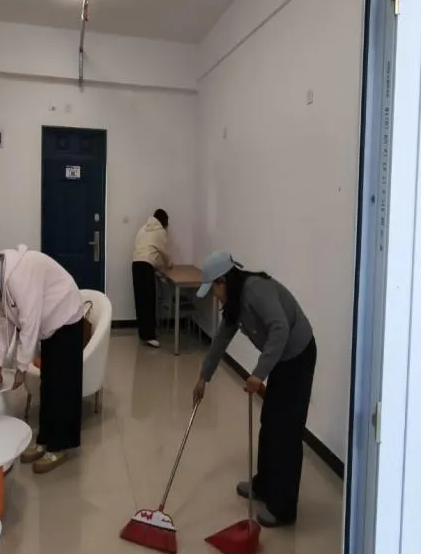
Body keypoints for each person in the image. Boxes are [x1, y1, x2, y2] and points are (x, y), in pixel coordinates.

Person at [192, 251, 316, 528]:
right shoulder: (235, 301)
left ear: (223, 281)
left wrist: (259, 374)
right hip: (280, 358)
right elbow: (221, 339)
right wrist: (203, 377)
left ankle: (283, 508)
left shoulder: (256, 290)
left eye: (213, 290)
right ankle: (265, 485)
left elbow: (280, 329)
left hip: (298, 355)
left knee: (287, 431)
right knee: (269, 422)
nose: (214, 296)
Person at [0, 247, 84, 474]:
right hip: (50, 322)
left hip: (65, 315)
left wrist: (21, 368)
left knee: (62, 385)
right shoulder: (1, 282)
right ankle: (45, 439)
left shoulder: (17, 277)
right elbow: (2, 326)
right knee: (48, 384)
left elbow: (29, 324)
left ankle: (59, 446)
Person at [132, 209, 172, 348]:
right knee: (149, 300)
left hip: (136, 264)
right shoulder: (160, 231)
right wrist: (169, 264)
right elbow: (163, 252)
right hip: (145, 267)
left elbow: (144, 247)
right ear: (164, 221)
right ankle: (149, 335)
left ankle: (143, 333)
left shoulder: (143, 228)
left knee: (140, 300)